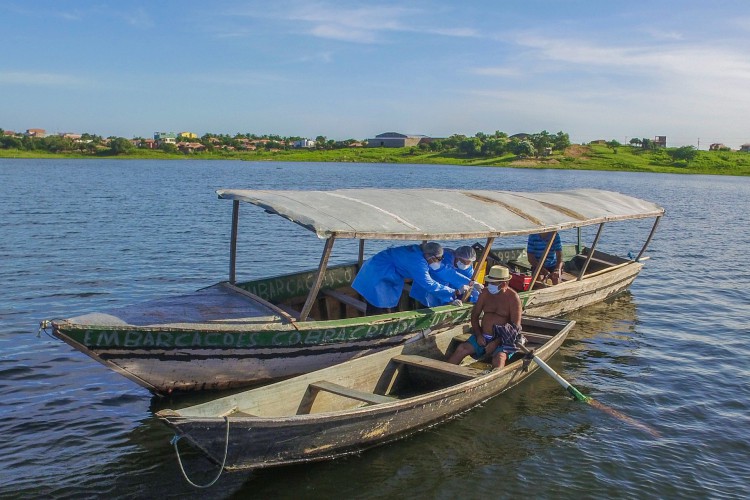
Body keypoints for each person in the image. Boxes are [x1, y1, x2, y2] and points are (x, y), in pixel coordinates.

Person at [352, 242, 464, 315]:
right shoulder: (417, 261)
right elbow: (428, 284)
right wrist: (454, 292)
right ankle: (374, 335)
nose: (439, 261)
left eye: (441, 258)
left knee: (383, 304)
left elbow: (444, 270)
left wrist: (469, 282)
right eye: (438, 259)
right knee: (377, 305)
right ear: (429, 255)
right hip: (376, 273)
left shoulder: (422, 254)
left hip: (383, 271)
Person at [447, 265, 523, 369]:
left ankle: (495, 380)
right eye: (490, 282)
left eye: (494, 283)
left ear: (504, 284)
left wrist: (496, 343)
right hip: (483, 335)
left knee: (499, 358)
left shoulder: (513, 298)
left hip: (504, 338)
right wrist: (478, 335)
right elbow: (474, 316)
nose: (490, 285)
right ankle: (444, 375)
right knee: (461, 348)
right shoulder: (485, 293)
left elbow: (515, 328)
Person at [412, 245, 482, 307]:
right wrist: (449, 300)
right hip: (430, 285)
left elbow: (470, 281)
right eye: (463, 261)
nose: (465, 264)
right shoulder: (444, 258)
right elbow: (447, 276)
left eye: (468, 263)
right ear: (457, 257)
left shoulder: (468, 266)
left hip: (452, 290)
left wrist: (477, 299)